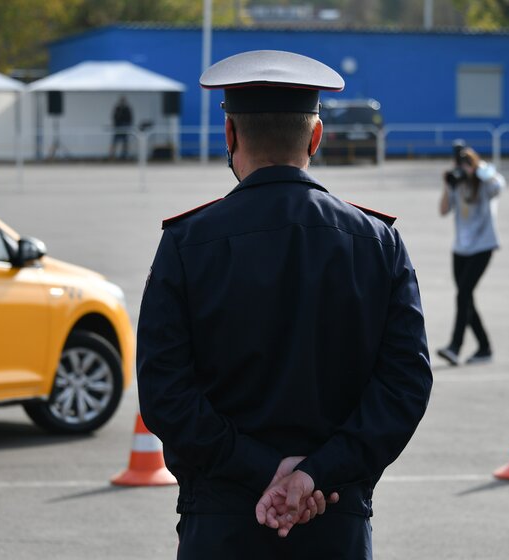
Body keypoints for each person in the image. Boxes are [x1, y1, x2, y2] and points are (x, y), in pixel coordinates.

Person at [137, 50, 432, 559]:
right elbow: (406, 383)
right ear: (316, 138)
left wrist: (260, 471)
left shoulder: (187, 244)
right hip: (333, 518)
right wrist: (315, 473)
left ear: (230, 137)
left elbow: (165, 392)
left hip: (220, 523)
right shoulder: (377, 243)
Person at [436, 141, 506, 366]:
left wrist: (480, 170)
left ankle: (455, 347)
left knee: (463, 295)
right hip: (460, 249)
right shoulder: (457, 184)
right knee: (466, 298)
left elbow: (499, 187)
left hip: (483, 246)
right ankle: (484, 348)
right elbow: (444, 211)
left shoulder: (485, 182)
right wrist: (447, 185)